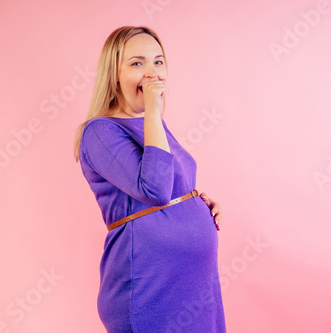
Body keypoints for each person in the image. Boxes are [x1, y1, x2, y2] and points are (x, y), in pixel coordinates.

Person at [73, 26, 226, 332]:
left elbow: (169, 182)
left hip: (195, 284)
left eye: (158, 62)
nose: (152, 73)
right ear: (114, 73)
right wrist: (153, 114)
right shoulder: (100, 132)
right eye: (137, 63)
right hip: (149, 286)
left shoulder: (153, 124)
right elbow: (154, 190)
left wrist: (193, 200)